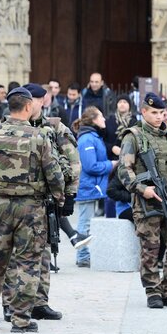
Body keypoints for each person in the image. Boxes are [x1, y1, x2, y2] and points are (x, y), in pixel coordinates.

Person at [0, 86, 65, 334]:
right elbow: (54, 174)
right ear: (27, 107)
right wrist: (59, 198)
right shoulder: (39, 137)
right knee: (28, 264)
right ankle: (21, 319)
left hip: (1, 206)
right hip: (31, 208)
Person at [0, 83, 79, 322]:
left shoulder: (54, 128)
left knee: (43, 251)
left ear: (42, 101)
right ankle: (10, 303)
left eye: (33, 98)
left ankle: (39, 302)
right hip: (13, 200)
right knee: (11, 254)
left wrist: (70, 196)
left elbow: (72, 161)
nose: (29, 102)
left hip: (43, 200)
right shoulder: (5, 126)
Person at [117, 92, 167, 309]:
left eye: (161, 113)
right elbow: (125, 171)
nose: (159, 117)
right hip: (147, 201)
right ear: (143, 112)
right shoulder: (133, 136)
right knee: (150, 249)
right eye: (154, 113)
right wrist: (143, 189)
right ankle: (153, 292)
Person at [74, 106, 115, 268]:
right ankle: (82, 255)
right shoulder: (87, 139)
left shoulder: (93, 136)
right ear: (93, 120)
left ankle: (84, 254)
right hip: (88, 187)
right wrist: (111, 164)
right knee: (85, 222)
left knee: (87, 221)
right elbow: (90, 166)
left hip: (93, 187)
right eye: (101, 117)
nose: (104, 119)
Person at [105, 95, 138, 161]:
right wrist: (112, 148)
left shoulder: (134, 122)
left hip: (130, 158)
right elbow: (104, 140)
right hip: (112, 158)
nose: (122, 104)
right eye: (120, 102)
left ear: (129, 106)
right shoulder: (109, 121)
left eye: (125, 102)